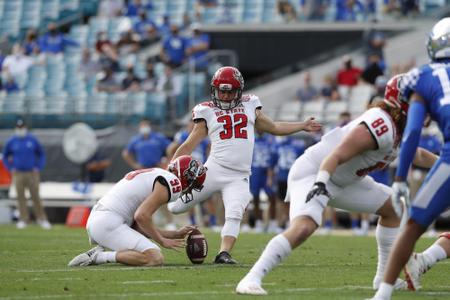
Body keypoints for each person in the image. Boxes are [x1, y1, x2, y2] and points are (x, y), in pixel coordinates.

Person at [235, 74, 438, 295]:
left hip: (344, 180)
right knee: (304, 226)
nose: (425, 105)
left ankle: (382, 278)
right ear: (402, 101)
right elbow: (337, 155)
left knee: (394, 207)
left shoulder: (400, 127)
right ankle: (251, 278)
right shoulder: (381, 124)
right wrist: (320, 183)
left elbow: (416, 154)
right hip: (315, 172)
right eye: (419, 99)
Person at [167, 66, 322, 264]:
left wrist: (301, 125)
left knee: (235, 213)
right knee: (175, 208)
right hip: (212, 171)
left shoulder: (250, 104)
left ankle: (223, 254)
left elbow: (274, 127)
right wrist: (170, 171)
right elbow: (189, 144)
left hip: (239, 176)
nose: (224, 95)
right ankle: (139, 220)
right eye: (221, 90)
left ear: (239, 90)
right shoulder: (206, 110)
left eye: (229, 91)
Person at [369, 18, 450, 300]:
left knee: (413, 225)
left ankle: (384, 293)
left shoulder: (423, 77)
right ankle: (423, 262)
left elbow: (413, 130)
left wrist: (401, 177)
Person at [68, 155, 206, 267]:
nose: (190, 190)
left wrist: (173, 234)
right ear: (187, 177)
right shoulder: (172, 183)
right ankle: (99, 257)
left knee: (152, 254)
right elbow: (142, 216)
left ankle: (99, 254)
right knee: (154, 257)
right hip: (108, 222)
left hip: (102, 218)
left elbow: (139, 227)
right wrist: (162, 241)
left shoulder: (158, 173)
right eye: (193, 185)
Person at [2, 119, 50, 229]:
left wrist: (38, 167)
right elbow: (5, 156)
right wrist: (10, 167)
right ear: (16, 128)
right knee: (20, 197)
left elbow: (41, 154)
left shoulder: (32, 140)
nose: (20, 129)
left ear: (25, 127)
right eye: (18, 127)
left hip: (32, 173)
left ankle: (41, 219)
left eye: (22, 127)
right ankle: (23, 219)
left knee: (35, 196)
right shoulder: (12, 141)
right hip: (18, 173)